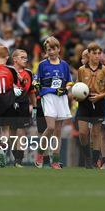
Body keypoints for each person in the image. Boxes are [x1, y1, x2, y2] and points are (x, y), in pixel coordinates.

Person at [33, 36, 73, 169]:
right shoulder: (42, 65)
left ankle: (55, 160)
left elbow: (69, 82)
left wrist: (66, 89)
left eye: (54, 48)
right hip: (48, 96)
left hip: (61, 98)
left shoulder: (64, 65)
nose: (51, 51)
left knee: (58, 131)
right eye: (48, 49)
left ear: (59, 49)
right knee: (50, 127)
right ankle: (40, 152)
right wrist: (37, 85)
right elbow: (36, 80)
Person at [76, 42, 105, 169]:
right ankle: (87, 156)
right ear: (89, 54)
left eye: (99, 53)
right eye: (94, 53)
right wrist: (77, 95)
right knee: (83, 133)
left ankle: (94, 161)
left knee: (96, 133)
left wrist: (99, 96)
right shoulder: (81, 70)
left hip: (99, 102)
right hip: (84, 103)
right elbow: (77, 86)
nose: (97, 56)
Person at [9, 49, 35, 168]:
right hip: (9, 105)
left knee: (21, 132)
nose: (25, 59)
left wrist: (35, 107)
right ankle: (15, 157)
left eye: (26, 57)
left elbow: (31, 92)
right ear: (15, 59)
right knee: (12, 133)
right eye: (22, 57)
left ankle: (19, 160)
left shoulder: (28, 73)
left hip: (23, 105)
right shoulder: (7, 71)